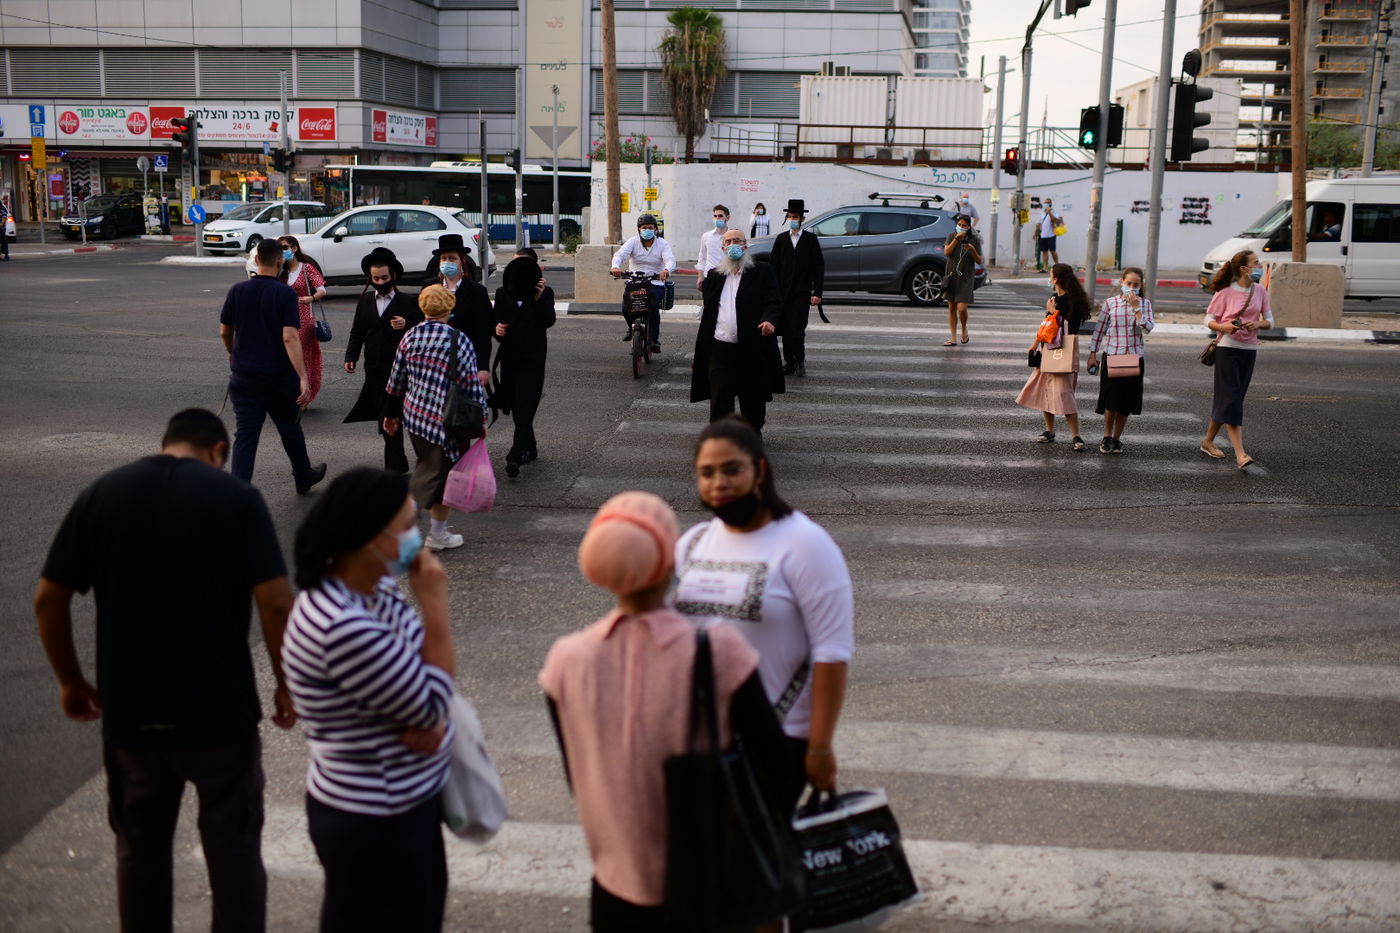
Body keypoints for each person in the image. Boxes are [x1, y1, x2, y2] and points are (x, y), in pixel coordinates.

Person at [34, 408, 298, 933]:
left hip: (132, 714)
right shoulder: (237, 499)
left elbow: (48, 599)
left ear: (165, 444)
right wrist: (286, 684)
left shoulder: (103, 494)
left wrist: (70, 679)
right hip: (220, 713)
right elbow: (274, 602)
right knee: (235, 850)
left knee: (141, 852)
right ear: (219, 452)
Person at [539, 491, 792, 931]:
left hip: (616, 882)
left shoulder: (565, 661)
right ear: (670, 564)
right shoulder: (718, 653)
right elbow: (778, 766)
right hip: (707, 881)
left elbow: (575, 774)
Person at [282, 468, 456, 933]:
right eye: (405, 526)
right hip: (374, 818)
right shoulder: (341, 624)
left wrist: (426, 704)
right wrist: (436, 607)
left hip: (405, 801)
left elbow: (418, 677)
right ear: (367, 537)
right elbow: (434, 703)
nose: (415, 538)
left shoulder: (374, 588)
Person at [674, 416, 854, 816]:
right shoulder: (693, 544)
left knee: (753, 868)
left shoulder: (805, 544)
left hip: (778, 738)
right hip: (697, 739)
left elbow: (832, 652)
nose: (718, 482)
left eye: (731, 469)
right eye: (707, 473)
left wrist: (820, 745)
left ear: (760, 471)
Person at [383, 284, 489, 551]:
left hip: (416, 417)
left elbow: (395, 380)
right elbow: (470, 383)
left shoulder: (409, 337)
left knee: (431, 470)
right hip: (449, 420)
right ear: (449, 307)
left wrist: (390, 415)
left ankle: (431, 532)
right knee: (438, 477)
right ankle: (420, 531)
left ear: (422, 307)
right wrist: (482, 418)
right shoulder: (458, 339)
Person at [219, 238, 327, 493]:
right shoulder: (285, 294)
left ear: (256, 261)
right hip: (278, 379)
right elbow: (289, 336)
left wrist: (231, 352)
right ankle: (303, 476)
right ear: (280, 261)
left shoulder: (238, 290)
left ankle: (238, 492)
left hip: (244, 379)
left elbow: (225, 331)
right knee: (290, 430)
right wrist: (303, 377)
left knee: (245, 437)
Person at [691, 229, 784, 431]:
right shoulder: (714, 276)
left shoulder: (762, 271)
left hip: (751, 347)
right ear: (723, 248)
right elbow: (710, 312)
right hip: (720, 348)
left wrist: (769, 320)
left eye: (737, 241)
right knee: (720, 397)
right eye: (729, 241)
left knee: (752, 397)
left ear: (745, 246)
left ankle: (752, 433)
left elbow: (774, 301)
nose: (733, 245)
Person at [344, 247, 424, 474]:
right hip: (376, 372)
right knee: (386, 422)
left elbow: (425, 327)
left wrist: (407, 324)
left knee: (402, 418)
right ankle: (395, 466)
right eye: (375, 278)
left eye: (384, 278)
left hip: (404, 373)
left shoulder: (409, 301)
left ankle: (419, 461)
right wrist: (351, 356)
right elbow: (357, 331)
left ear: (394, 276)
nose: (380, 282)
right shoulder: (365, 301)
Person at [1200, 250, 1273, 470]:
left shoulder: (1260, 290)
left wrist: (1258, 324)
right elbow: (1208, 319)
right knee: (1232, 399)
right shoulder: (1226, 292)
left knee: (1232, 399)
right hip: (1227, 349)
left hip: (1249, 350)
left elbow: (1270, 320)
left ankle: (1207, 441)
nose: (1260, 265)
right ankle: (1240, 454)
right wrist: (1223, 326)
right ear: (1244, 268)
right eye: (1256, 262)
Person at [492, 249, 557, 477]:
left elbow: (548, 320)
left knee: (524, 410)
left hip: (533, 360)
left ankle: (515, 456)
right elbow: (496, 323)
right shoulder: (502, 293)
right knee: (517, 408)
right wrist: (497, 330)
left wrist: (538, 299)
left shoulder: (544, 293)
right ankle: (531, 447)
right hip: (509, 360)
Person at [1016, 262, 1090, 452]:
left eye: (1051, 274)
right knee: (1045, 390)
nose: (1050, 277)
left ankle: (1076, 435)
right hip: (1047, 348)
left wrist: (1052, 311)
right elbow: (1046, 325)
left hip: (1063, 350)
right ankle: (1049, 431)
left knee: (1064, 392)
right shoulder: (1054, 298)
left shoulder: (1072, 301)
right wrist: (1034, 344)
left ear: (1056, 278)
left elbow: (1067, 327)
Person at [1088, 267, 1154, 455]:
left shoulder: (1145, 304)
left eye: (1136, 285)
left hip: (1134, 358)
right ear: (1122, 283)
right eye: (1129, 284)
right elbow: (1099, 330)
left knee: (1127, 402)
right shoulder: (1110, 303)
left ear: (1141, 286)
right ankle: (1107, 436)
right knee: (1111, 400)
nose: (1132, 288)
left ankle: (1117, 438)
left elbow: (1147, 328)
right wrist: (1093, 354)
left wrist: (1136, 309)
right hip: (1113, 356)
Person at [768, 198, 824, 377]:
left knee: (797, 329)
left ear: (802, 219)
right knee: (784, 328)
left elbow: (818, 267)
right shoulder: (781, 239)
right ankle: (789, 362)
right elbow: (773, 267)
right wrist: (771, 291)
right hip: (782, 293)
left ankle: (800, 360)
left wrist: (818, 292)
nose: (792, 219)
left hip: (801, 292)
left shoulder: (810, 240)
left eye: (795, 216)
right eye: (790, 216)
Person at [434, 232, 493, 390]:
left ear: (463, 261)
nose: (448, 262)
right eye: (444, 258)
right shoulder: (430, 288)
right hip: (436, 362)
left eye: (452, 258)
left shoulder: (476, 291)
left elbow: (483, 332)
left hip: (466, 361)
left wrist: (483, 367)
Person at [610, 213, 674, 354]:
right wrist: (615, 267)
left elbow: (670, 260)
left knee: (652, 309)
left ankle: (654, 340)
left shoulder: (662, 244)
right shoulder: (632, 242)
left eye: (650, 227)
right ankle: (631, 326)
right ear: (639, 229)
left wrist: (666, 270)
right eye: (644, 227)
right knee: (626, 307)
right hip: (635, 281)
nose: (647, 230)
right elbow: (620, 255)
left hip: (655, 282)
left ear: (656, 229)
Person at [277, 235, 327, 408]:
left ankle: (302, 397)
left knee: (302, 357)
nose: (283, 252)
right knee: (284, 357)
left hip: (304, 317)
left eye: (285, 248)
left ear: (294, 248)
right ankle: (287, 393)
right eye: (280, 248)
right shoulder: (279, 270)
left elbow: (322, 289)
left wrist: (310, 298)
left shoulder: (306, 268)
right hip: (282, 317)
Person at [942, 212, 981, 347]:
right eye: (959, 225)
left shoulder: (974, 240)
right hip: (952, 277)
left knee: (961, 308)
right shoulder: (951, 236)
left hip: (966, 278)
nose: (961, 227)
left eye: (964, 225)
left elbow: (979, 260)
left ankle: (964, 328)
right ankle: (953, 337)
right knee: (952, 307)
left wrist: (972, 250)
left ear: (969, 227)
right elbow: (946, 252)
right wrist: (956, 240)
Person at [695, 203, 732, 288]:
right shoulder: (706, 236)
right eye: (715, 216)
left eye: (720, 216)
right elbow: (702, 258)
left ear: (728, 218)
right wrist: (700, 277)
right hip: (710, 276)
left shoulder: (732, 236)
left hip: (727, 276)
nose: (717, 218)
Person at [1036, 198, 1062, 271]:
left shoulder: (1054, 212)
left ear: (1050, 204)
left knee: (1052, 251)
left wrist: (1049, 212)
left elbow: (1055, 220)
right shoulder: (1042, 212)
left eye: (1047, 203)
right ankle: (1045, 267)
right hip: (1043, 235)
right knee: (1044, 251)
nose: (1045, 204)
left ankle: (1057, 265)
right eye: (1045, 203)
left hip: (1051, 235)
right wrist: (1035, 233)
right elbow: (1038, 223)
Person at [0, 193, 11, 261]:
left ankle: (6, 255)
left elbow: (4, 218)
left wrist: (1, 225)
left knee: (3, 241)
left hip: (1, 229)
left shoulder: (2, 210)